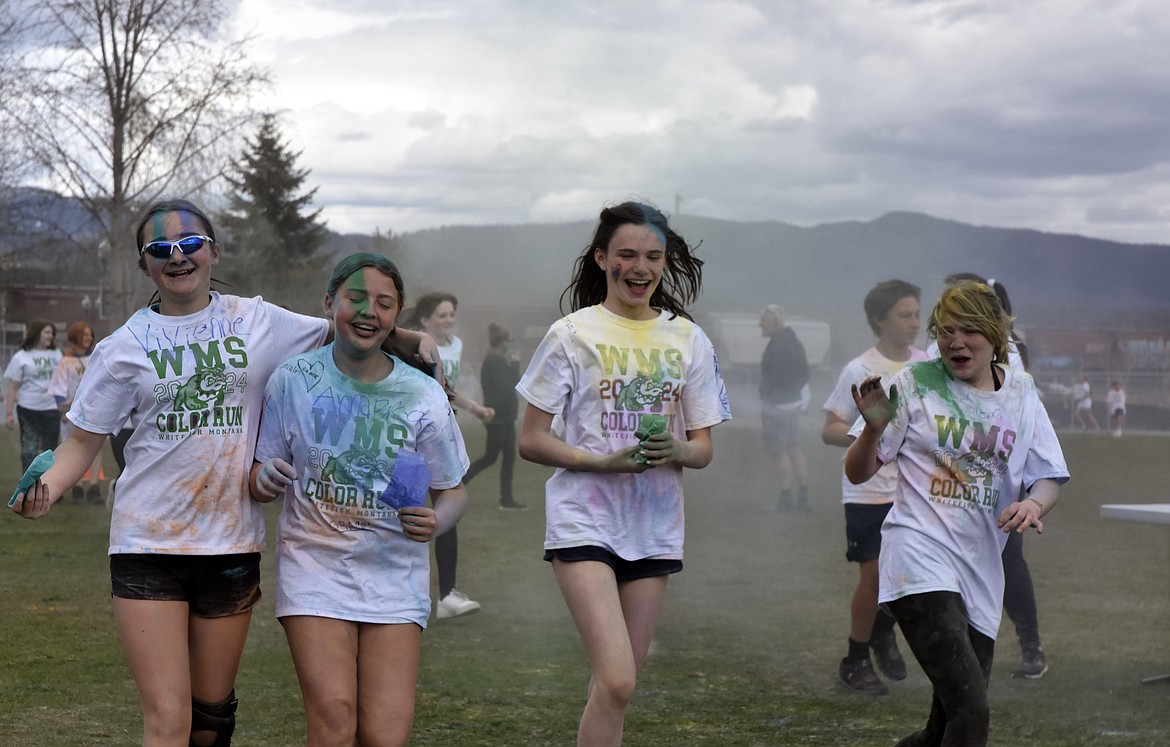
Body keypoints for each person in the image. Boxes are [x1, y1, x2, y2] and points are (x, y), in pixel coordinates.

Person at [10, 198, 437, 747]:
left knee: (211, 722)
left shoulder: (257, 319)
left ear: (213, 251)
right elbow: (81, 444)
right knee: (168, 720)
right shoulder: (121, 349)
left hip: (230, 546)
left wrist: (409, 338)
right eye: (160, 249)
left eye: (189, 244)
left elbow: (347, 326)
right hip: (147, 543)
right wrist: (47, 488)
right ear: (146, 265)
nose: (177, 256)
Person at [517, 201, 731, 746]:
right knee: (616, 678)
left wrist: (676, 449)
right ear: (602, 258)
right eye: (628, 255)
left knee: (616, 688)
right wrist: (600, 462)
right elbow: (531, 439)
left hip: (654, 524)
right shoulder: (570, 333)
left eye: (653, 256)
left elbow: (703, 449)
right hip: (584, 519)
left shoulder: (688, 338)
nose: (641, 267)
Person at [249, 253, 469, 746]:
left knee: (385, 734)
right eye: (356, 298)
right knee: (333, 718)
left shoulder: (420, 392)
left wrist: (437, 519)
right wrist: (263, 478)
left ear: (397, 315)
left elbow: (452, 490)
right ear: (330, 304)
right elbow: (259, 469)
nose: (369, 312)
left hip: (395, 576)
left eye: (384, 303)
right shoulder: (293, 380)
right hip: (314, 565)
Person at [845, 280, 1069, 746]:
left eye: (969, 331)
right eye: (946, 331)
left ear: (994, 336)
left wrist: (1033, 502)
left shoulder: (1022, 394)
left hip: (981, 568)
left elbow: (1048, 474)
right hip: (918, 559)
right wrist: (872, 431)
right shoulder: (914, 383)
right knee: (972, 715)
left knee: (943, 728)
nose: (956, 342)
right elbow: (859, 472)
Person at [929, 273, 1049, 679]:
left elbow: (1015, 412)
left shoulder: (1014, 361)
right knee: (920, 569)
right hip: (943, 486)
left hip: (994, 486)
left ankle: (1030, 645)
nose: (957, 337)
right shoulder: (939, 351)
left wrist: (1030, 497)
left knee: (1007, 562)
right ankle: (877, 641)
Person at [822, 279, 930, 696]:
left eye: (918, 314)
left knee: (909, 575)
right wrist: (872, 434)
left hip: (916, 492)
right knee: (873, 577)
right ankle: (855, 661)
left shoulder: (926, 367)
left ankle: (885, 630)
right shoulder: (859, 369)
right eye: (905, 315)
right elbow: (828, 429)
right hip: (868, 491)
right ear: (879, 319)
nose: (914, 323)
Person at [404, 291, 493, 619]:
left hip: (444, 434)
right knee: (406, 510)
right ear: (425, 319)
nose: (449, 319)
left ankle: (446, 596)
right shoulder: (413, 344)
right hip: (415, 435)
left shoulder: (454, 346)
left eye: (452, 314)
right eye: (442, 315)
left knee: (447, 509)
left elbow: (448, 388)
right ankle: (418, 592)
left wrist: (474, 408)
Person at [463, 322, 526, 510]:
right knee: (490, 458)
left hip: (504, 417)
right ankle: (457, 484)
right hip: (497, 418)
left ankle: (507, 499)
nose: (510, 345)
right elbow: (508, 387)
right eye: (508, 341)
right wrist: (515, 364)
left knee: (508, 458)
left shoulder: (496, 359)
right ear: (502, 342)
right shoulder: (494, 361)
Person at [758, 304, 810, 512]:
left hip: (778, 408)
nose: (760, 324)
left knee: (778, 451)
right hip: (793, 404)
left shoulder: (778, 346)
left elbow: (776, 379)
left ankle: (786, 497)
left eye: (764, 321)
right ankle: (804, 496)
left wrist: (771, 403)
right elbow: (805, 374)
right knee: (793, 447)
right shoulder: (795, 342)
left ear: (775, 322)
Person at [47, 321, 105, 504]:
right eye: (84, 334)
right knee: (73, 448)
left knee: (97, 447)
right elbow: (58, 390)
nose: (88, 338)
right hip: (71, 413)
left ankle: (94, 487)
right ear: (75, 337)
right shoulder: (66, 361)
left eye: (90, 334)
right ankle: (78, 487)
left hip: (95, 410)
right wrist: (64, 409)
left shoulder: (96, 357)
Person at [5, 319, 63, 471]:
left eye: (52, 333)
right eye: (47, 332)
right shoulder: (21, 356)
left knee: (50, 450)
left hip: (51, 409)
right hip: (28, 409)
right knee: (29, 449)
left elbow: (64, 381)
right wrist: (9, 413)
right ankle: (28, 487)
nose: (50, 336)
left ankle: (49, 488)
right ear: (37, 333)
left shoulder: (56, 354)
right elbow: (13, 387)